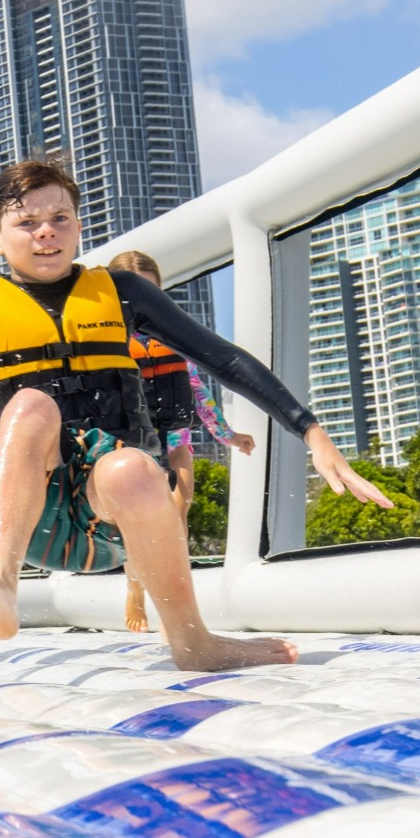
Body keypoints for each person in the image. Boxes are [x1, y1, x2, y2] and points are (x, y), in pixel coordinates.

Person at [0, 157, 393, 672]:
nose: (46, 232)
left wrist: (309, 430)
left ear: (77, 227)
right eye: (28, 222)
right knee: (32, 404)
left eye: (60, 219)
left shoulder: (121, 293)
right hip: (32, 513)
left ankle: (194, 641)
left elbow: (224, 358)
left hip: (114, 518)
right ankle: (3, 587)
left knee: (130, 468)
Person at [107, 248, 255, 633]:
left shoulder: (172, 335)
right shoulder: (110, 342)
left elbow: (197, 391)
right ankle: (136, 587)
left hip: (175, 439)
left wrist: (228, 435)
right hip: (136, 442)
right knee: (137, 523)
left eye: (150, 294)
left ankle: (176, 601)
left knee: (178, 510)